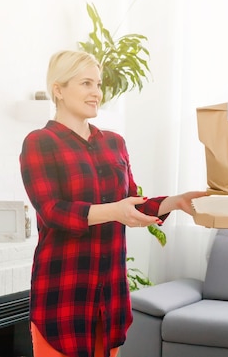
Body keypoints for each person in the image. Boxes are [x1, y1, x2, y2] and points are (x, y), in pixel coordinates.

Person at [19, 49, 207, 357]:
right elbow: (52, 211)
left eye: (98, 84)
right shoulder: (39, 143)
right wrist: (115, 211)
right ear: (58, 90)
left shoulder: (114, 142)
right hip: (64, 289)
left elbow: (130, 204)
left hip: (110, 292)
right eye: (86, 84)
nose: (97, 92)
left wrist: (176, 201)